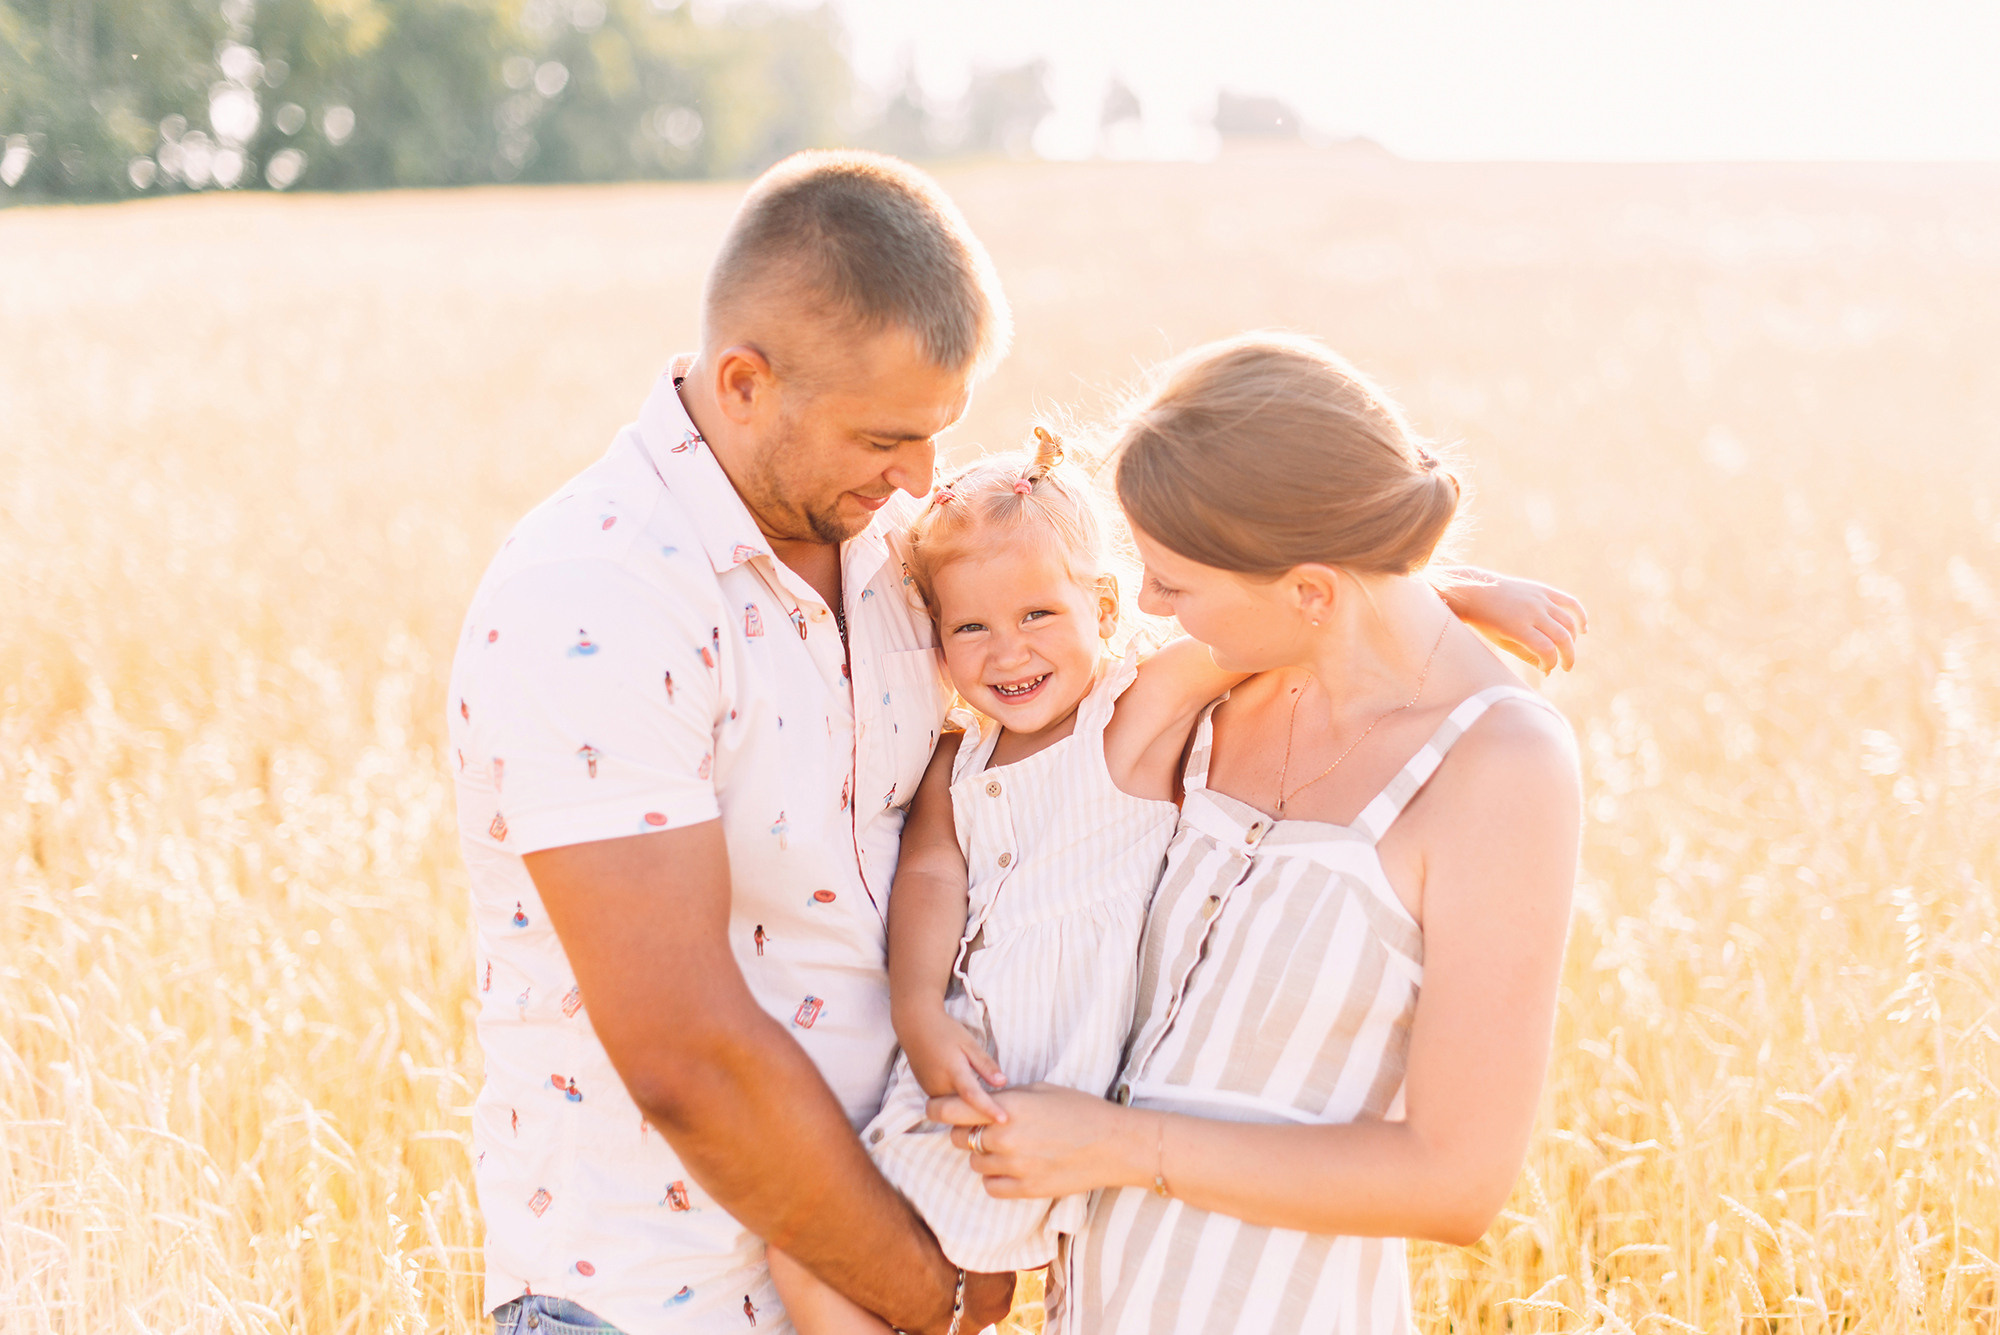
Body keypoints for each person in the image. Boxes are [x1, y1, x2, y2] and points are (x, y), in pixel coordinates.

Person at [770, 413, 1584, 1334]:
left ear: (1106, 612)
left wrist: (1468, 595)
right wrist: (917, 1009)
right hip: (972, 1082)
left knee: (850, 1258)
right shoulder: (957, 758)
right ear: (940, 644)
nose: (1009, 650)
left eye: (1039, 613)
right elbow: (929, 881)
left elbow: (1311, 600)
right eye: (972, 627)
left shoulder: (1130, 717)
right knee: (846, 1260)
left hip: (1059, 1088)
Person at [447, 150, 1021, 1335]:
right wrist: (939, 1297)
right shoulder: (594, 591)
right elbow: (684, 1055)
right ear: (745, 381)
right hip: (658, 1304)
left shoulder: (893, 543)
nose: (920, 476)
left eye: (936, 435)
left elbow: (1104, 636)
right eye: (884, 438)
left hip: (884, 1265)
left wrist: (1391, 584)